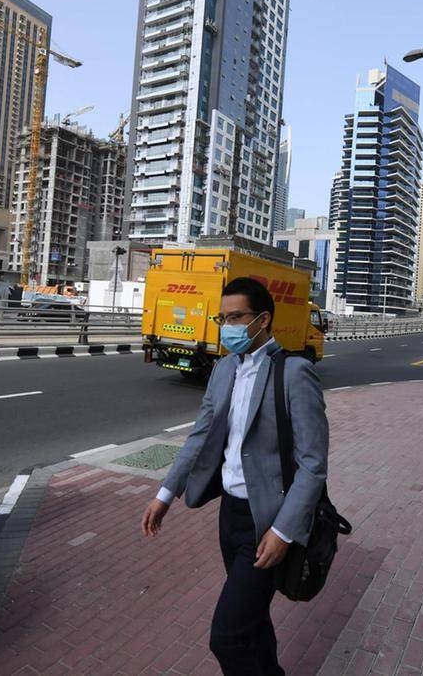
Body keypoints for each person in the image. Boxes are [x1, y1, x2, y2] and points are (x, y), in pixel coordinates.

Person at [141, 277, 329, 676]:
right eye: (222, 317)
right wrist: (165, 493)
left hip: (268, 521)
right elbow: (200, 435)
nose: (227, 326)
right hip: (230, 516)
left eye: (235, 317)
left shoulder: (294, 373)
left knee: (226, 636)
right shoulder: (225, 368)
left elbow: (313, 463)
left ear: (262, 320)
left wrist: (283, 531)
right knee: (252, 620)